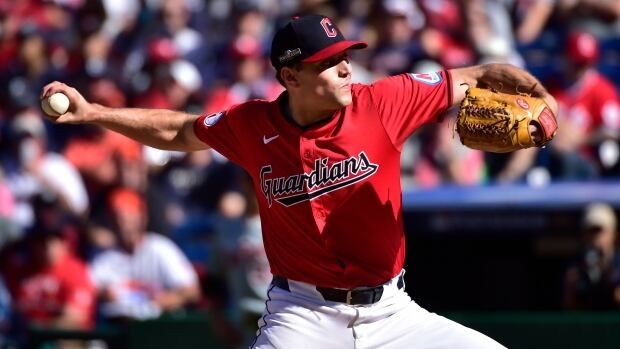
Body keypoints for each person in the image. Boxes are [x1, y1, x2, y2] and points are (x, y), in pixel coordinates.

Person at [41, 14, 557, 349]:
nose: (344, 70)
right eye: (328, 64)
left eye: (345, 57)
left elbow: (480, 74)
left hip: (394, 313)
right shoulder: (251, 124)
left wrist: (540, 101)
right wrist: (95, 113)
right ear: (290, 78)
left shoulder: (386, 101)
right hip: (302, 314)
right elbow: (180, 130)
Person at [89, 188, 200, 320]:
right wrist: (104, 294)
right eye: (116, 218)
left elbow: (192, 291)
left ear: (141, 218)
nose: (122, 224)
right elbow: (90, 288)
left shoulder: (160, 248)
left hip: (159, 324)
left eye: (127, 218)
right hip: (119, 324)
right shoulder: (104, 256)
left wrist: (162, 302)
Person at [563, 202, 620, 310]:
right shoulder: (576, 265)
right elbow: (568, 309)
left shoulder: (617, 264)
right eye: (590, 231)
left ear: (614, 233)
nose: (595, 237)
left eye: (599, 230)